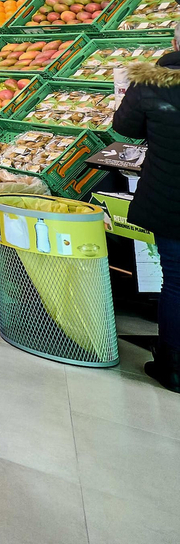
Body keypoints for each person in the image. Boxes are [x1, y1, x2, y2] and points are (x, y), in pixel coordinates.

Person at [111, 25, 180, 392]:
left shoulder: (151, 83)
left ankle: (174, 367)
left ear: (174, 44)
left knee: (178, 281)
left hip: (170, 197)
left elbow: (125, 129)